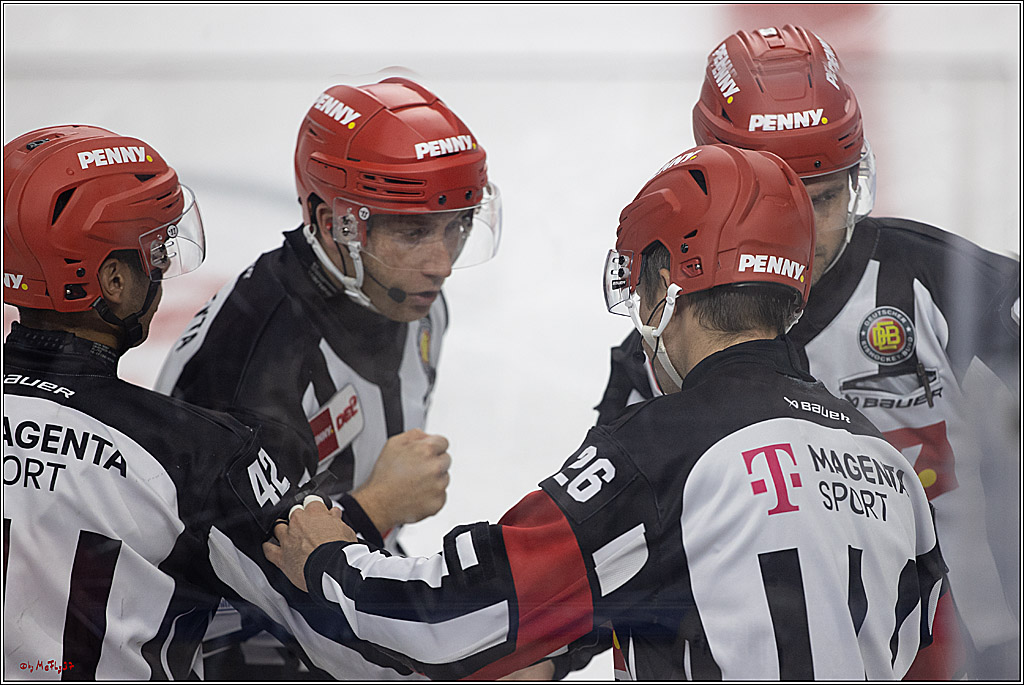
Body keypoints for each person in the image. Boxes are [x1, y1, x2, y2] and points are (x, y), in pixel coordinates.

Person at [264, 143, 950, 680]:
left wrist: (333, 559)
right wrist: (571, 642)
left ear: (665, 287)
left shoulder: (659, 450)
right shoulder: (883, 462)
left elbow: (454, 614)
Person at [595, 25, 1021, 680]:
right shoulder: (659, 343)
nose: (804, 228)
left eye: (823, 197)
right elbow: (599, 546)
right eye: (778, 196)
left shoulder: (946, 285)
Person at [1, 124, 420, 680]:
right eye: (154, 252)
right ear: (114, 281)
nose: (163, 270)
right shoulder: (196, 454)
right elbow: (340, 633)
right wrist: (376, 509)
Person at [153, 77, 502, 678]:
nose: (442, 262)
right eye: (413, 230)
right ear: (331, 220)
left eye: (458, 224)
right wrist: (377, 505)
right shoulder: (247, 361)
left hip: (342, 598)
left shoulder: (410, 298)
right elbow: (227, 590)